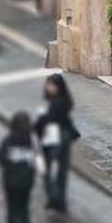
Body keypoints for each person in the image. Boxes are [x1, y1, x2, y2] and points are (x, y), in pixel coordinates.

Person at [0, 111, 39, 223]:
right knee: (24, 206)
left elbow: (0, 157)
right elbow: (35, 160)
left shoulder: (8, 140)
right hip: (27, 181)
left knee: (12, 208)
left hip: (11, 181)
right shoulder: (31, 141)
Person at [37, 73, 79, 214]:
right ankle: (58, 200)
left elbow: (49, 121)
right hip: (62, 138)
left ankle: (55, 199)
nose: (48, 87)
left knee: (48, 170)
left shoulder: (57, 103)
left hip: (55, 139)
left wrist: (41, 120)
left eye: (51, 85)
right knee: (60, 170)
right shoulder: (63, 101)